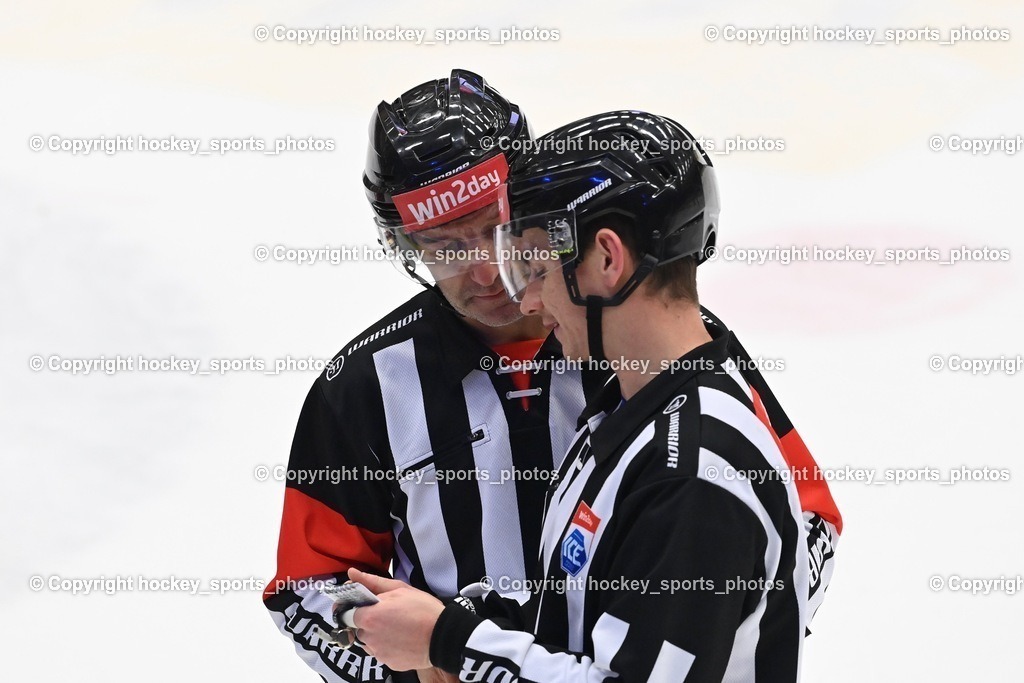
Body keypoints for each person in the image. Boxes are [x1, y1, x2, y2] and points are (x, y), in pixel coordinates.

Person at [346, 110, 834, 682]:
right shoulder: (615, 415)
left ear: (606, 259)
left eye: (536, 267)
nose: (525, 302)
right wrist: (462, 632)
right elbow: (578, 626)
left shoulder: (693, 473)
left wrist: (451, 643)